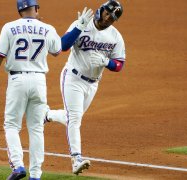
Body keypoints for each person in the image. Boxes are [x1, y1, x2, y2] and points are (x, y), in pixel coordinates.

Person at [0, 0, 62, 179]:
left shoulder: (9, 27)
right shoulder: (47, 28)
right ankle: (36, 175)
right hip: (39, 81)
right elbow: (57, 50)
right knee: (36, 128)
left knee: (11, 125)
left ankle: (17, 166)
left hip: (17, 80)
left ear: (19, 12)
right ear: (37, 8)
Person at [45, 0, 126, 175]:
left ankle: (47, 114)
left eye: (111, 18)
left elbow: (120, 65)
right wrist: (79, 27)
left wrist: (107, 62)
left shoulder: (115, 36)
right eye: (106, 13)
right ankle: (76, 159)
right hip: (73, 78)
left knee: (72, 118)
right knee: (75, 119)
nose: (107, 18)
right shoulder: (81, 24)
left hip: (93, 83)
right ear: (101, 10)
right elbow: (62, 47)